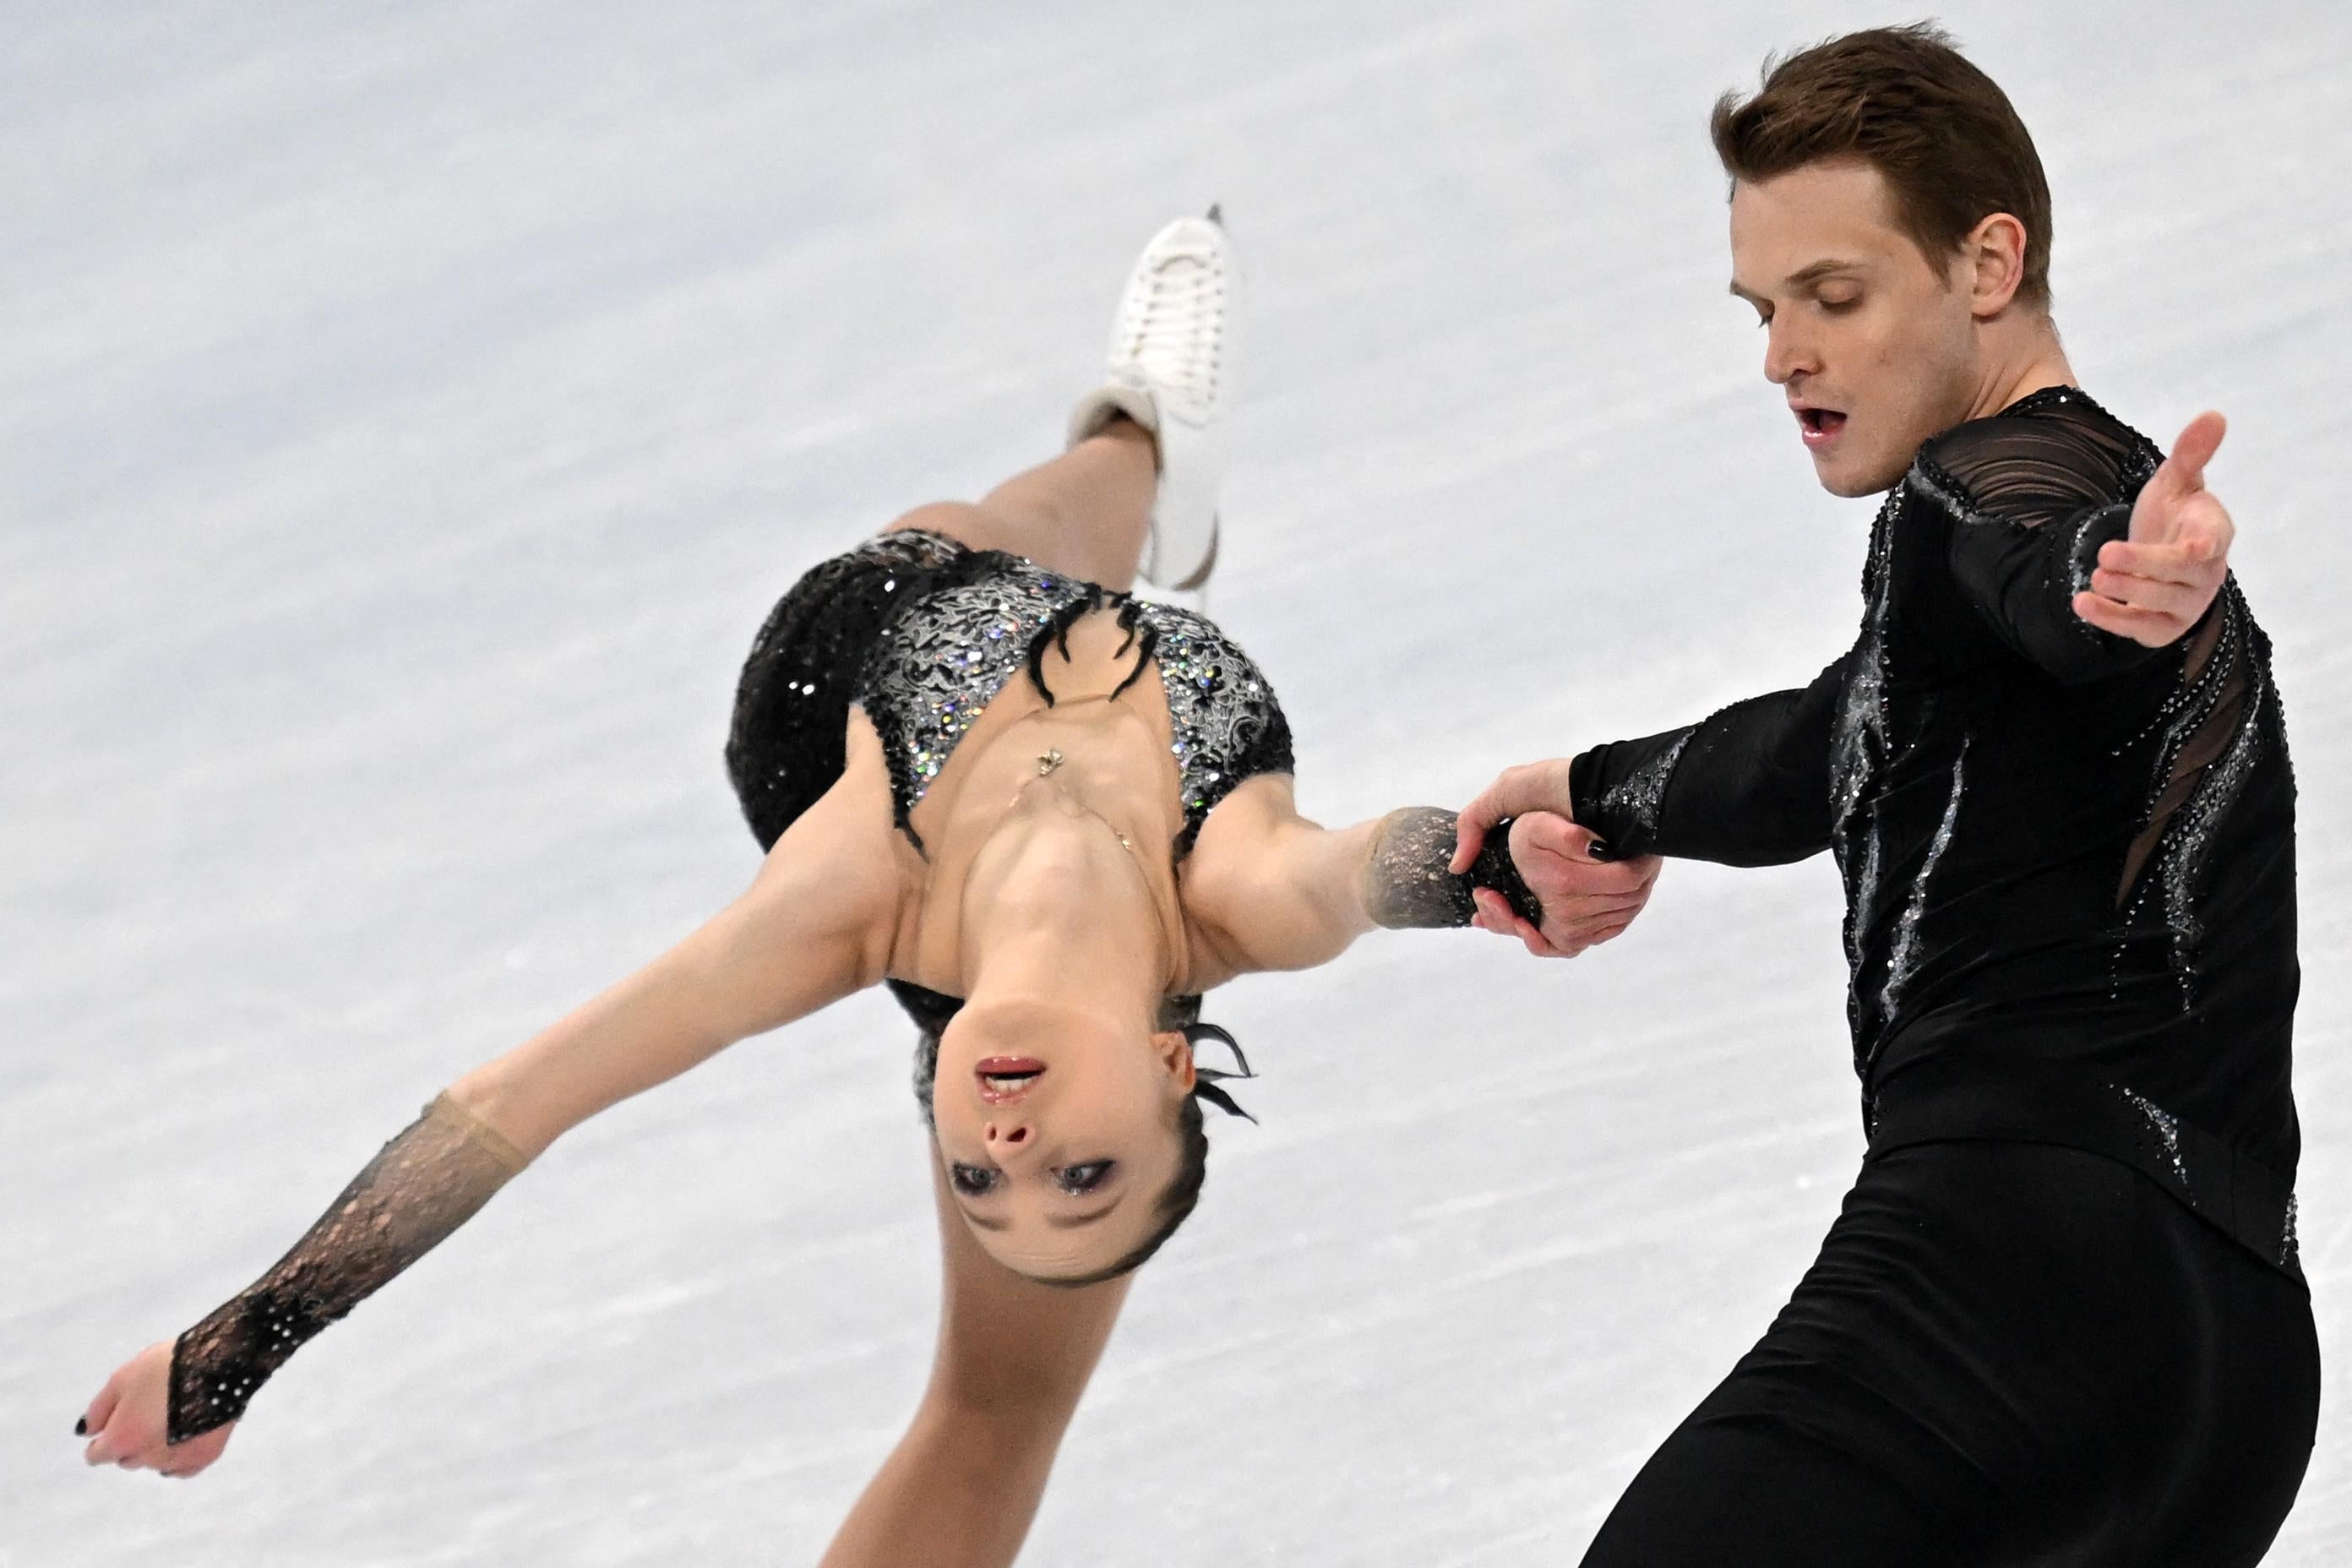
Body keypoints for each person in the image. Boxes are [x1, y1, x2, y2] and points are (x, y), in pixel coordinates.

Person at [74, 213, 1659, 1566]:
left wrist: (240, 1345)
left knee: (993, 1413)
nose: (1009, 1151)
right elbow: (1367, 871)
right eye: (1081, 1176)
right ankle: (1148, 449)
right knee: (1082, 528)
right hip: (1054, 637)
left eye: (980, 1183)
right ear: (1175, 1070)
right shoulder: (1231, 894)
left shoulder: (850, 902)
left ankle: (1134, 453)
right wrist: (1489, 868)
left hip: (842, 661)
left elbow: (514, 1104)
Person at [1454, 26, 2312, 1566]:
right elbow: (1817, 748)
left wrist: (2112, 589)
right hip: (2230, 1372)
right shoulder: (2005, 625)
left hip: (1998, 1291)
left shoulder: (2005, 497)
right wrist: (1597, 790)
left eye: (1834, 297)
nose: (1784, 351)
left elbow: (2034, 559)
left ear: (1988, 265)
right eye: (1765, 306)